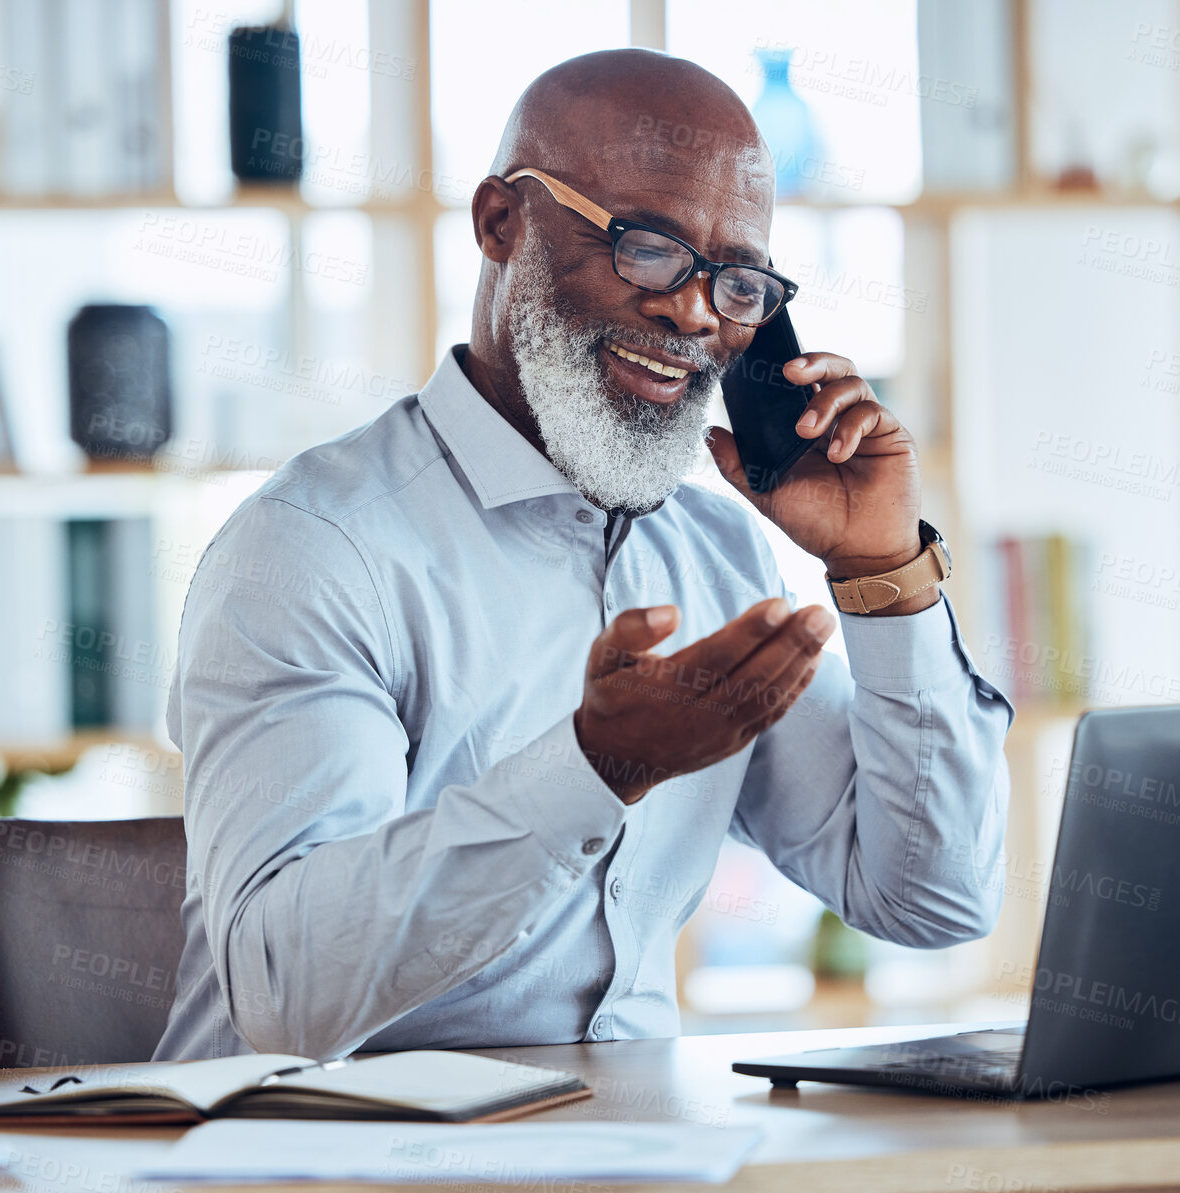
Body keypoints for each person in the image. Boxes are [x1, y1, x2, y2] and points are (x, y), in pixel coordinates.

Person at [152, 49, 1012, 1062]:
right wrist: (597, 765)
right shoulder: (315, 548)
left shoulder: (715, 550)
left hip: (628, 1146)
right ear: (499, 223)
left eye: (735, 281)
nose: (692, 312)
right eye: (646, 247)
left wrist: (885, 578)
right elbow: (285, 997)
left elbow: (933, 896)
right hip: (322, 1160)